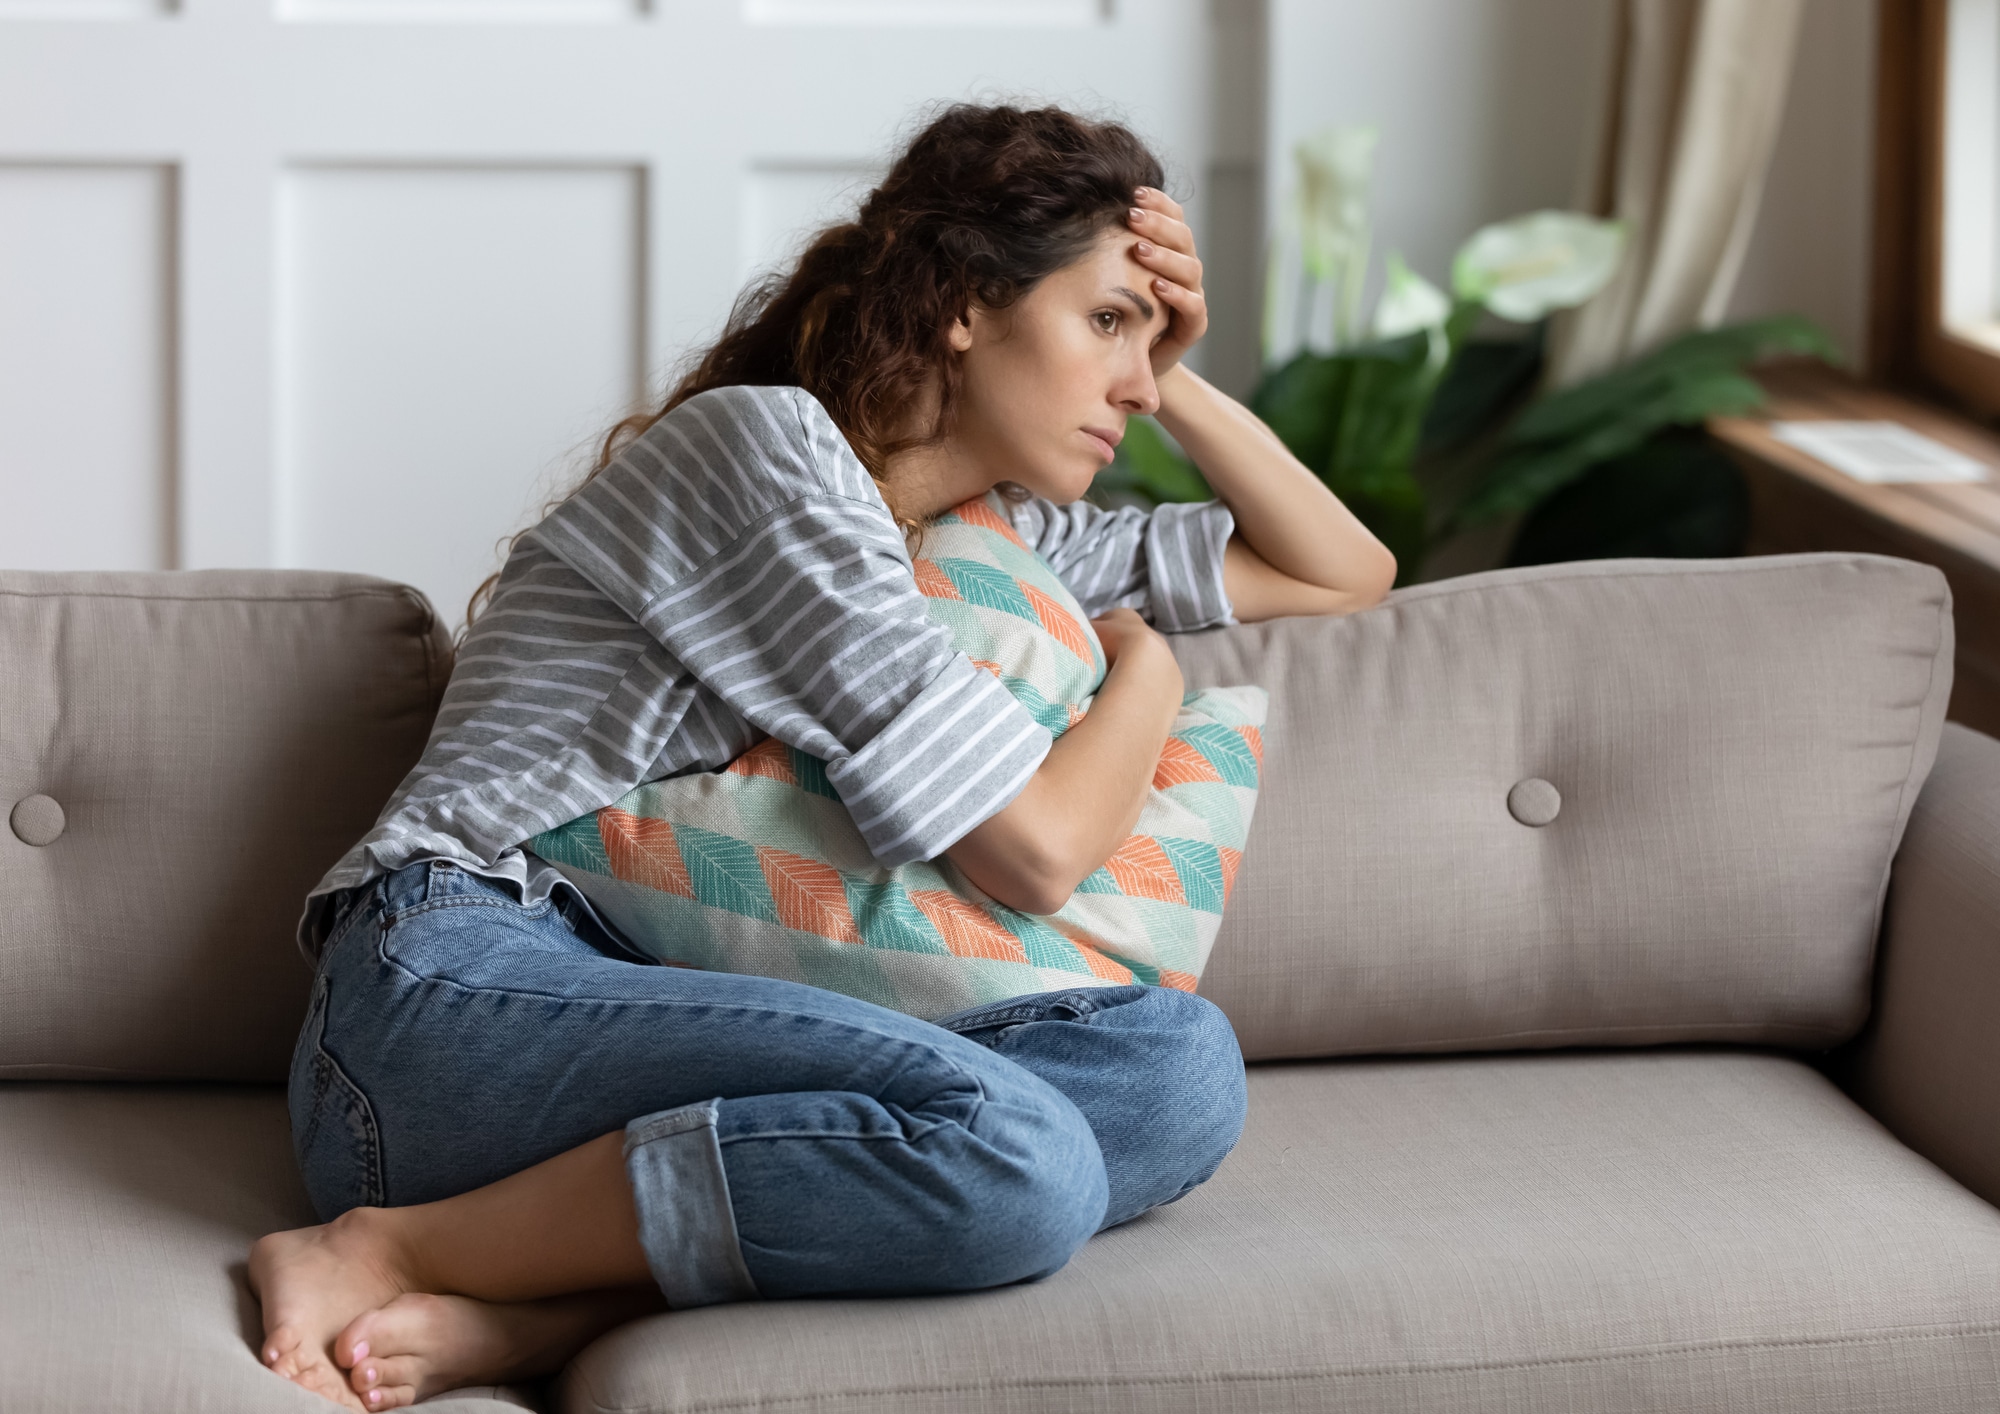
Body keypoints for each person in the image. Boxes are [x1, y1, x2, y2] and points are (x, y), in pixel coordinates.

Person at [249, 103, 1396, 1410]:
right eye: (1103, 323)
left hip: (656, 1001)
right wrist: (1153, 670)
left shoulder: (985, 538)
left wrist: (1175, 366)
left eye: (1147, 340)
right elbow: (1033, 850)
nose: (1131, 385)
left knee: (1174, 1069)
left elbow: (1343, 570)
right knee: (1018, 1156)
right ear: (966, 303)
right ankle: (385, 1243)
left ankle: (562, 1303)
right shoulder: (773, 453)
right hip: (452, 996)